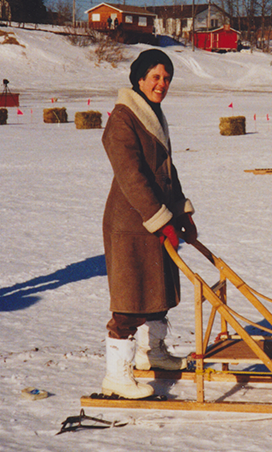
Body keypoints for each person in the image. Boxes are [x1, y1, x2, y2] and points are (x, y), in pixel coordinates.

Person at [101, 49, 198, 399]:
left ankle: (152, 352)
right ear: (139, 79)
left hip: (154, 219)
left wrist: (181, 211)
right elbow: (132, 177)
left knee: (158, 293)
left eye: (167, 78)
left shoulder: (153, 113)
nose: (162, 84)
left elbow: (165, 172)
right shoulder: (123, 119)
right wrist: (160, 219)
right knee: (129, 303)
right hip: (131, 222)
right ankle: (116, 375)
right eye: (155, 77)